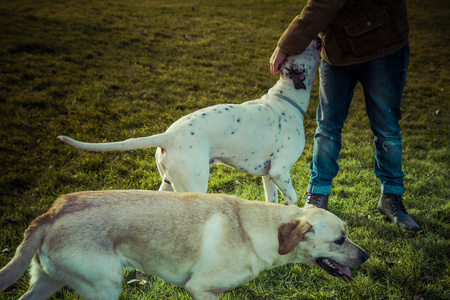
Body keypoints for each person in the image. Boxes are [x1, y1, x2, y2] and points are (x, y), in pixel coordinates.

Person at [269, 0, 422, 233]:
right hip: (337, 51)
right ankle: (318, 195)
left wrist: (285, 45)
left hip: (382, 46)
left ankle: (391, 198)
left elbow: (324, 3)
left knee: (387, 129)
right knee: (327, 128)